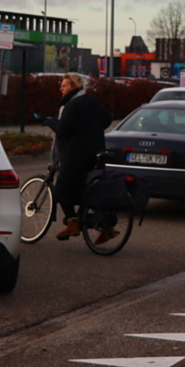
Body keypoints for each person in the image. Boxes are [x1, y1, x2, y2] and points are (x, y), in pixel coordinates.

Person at [49, 73, 113, 241]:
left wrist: (51, 122)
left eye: (64, 85)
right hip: (96, 152)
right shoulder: (92, 100)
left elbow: (62, 130)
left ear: (74, 87)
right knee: (89, 190)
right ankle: (106, 225)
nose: (61, 88)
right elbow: (107, 119)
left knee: (62, 189)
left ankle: (73, 223)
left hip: (76, 154)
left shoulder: (72, 105)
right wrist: (91, 129)